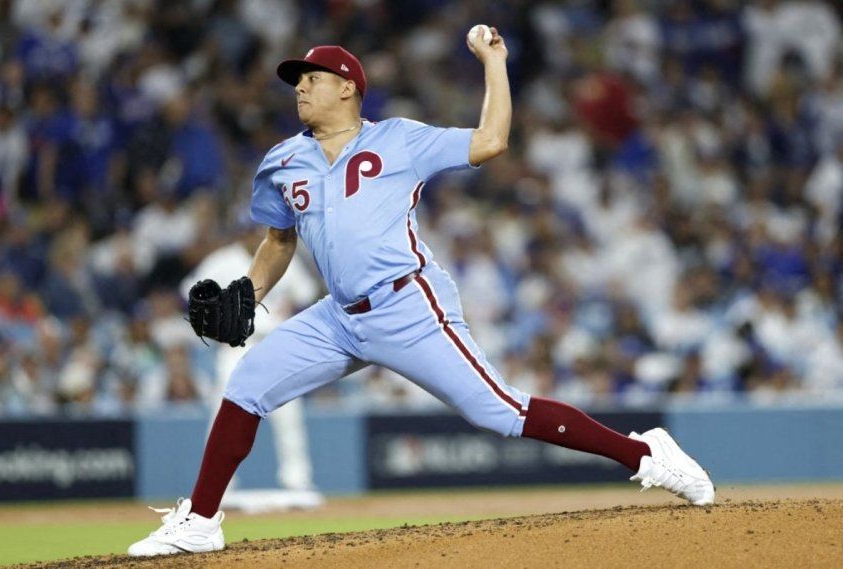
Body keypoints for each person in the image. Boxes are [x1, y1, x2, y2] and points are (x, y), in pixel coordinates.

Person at [128, 28, 714, 557]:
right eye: (297, 82)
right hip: (337, 316)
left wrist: (494, 62)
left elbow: (491, 141)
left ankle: (645, 455)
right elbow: (279, 240)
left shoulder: (399, 140)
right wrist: (250, 291)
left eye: (312, 79)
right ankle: (202, 521)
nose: (300, 90)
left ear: (348, 89)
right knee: (248, 383)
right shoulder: (283, 161)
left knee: (500, 411)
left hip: (408, 304)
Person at [179, 217, 324, 511]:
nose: (250, 235)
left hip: (275, 345)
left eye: (255, 230)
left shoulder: (277, 255)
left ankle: (298, 481)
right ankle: (221, 488)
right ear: (238, 233)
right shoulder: (223, 260)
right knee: (223, 414)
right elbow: (187, 290)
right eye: (245, 230)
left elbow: (307, 291)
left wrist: (290, 307)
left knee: (289, 414)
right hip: (235, 347)